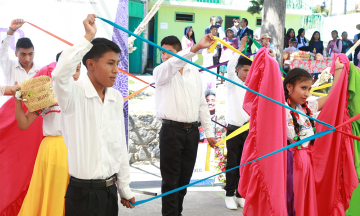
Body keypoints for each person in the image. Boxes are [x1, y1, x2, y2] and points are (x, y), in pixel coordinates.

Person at [52, 14, 135, 215]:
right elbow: (59, 73)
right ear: (90, 64)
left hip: (109, 192)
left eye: (117, 63)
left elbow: (119, 147)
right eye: (110, 63)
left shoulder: (115, 97)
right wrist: (88, 37)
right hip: (82, 194)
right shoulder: (73, 94)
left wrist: (124, 188)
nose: (116, 70)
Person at [153, 34, 216, 216]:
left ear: (179, 51)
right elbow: (173, 64)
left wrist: (209, 132)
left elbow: (202, 104)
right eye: (162, 52)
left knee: (184, 180)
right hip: (171, 131)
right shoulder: (161, 72)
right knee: (170, 181)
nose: (165, 56)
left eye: (169, 52)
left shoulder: (193, 72)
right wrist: (196, 48)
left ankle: (176, 213)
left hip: (192, 132)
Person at [16, 55, 80, 216]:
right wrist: (18, 101)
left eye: (78, 67)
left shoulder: (84, 94)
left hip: (78, 151)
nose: (76, 71)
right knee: (56, 194)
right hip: (54, 151)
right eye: (72, 66)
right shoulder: (47, 94)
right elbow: (23, 124)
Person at [284, 58, 344, 216]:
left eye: (309, 89)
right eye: (303, 88)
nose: (307, 93)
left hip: (308, 162)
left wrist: (338, 71)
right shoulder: (279, 110)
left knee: (305, 202)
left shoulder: (306, 107)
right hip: (289, 164)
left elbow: (331, 99)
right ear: (289, 87)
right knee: (290, 202)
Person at [224, 37, 250, 210]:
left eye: (250, 70)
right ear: (238, 70)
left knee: (245, 164)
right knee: (233, 163)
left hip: (248, 130)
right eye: (245, 70)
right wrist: (240, 48)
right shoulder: (231, 83)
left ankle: (240, 194)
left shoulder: (252, 86)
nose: (247, 73)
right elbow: (229, 68)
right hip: (234, 129)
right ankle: (229, 195)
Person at [0, 19, 40, 86]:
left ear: (34, 53)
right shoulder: (9, 67)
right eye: (23, 54)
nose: (27, 59)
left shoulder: (40, 70)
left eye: (30, 54)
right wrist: (11, 30)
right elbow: (2, 51)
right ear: (16, 53)